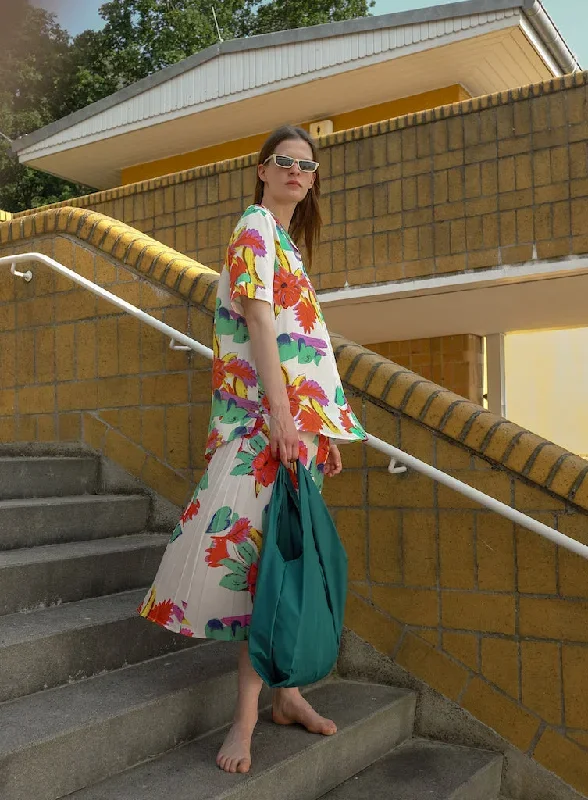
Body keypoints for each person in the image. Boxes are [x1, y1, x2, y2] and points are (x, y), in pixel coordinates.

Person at [137, 125, 367, 774]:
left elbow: (300, 343)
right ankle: (246, 720)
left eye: (306, 164)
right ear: (262, 171)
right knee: (263, 579)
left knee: (284, 573)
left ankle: (287, 696)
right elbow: (260, 323)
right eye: (284, 162)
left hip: (291, 434)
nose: (296, 171)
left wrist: (316, 429)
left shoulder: (287, 244)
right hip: (262, 434)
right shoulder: (255, 230)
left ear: (314, 178)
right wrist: (286, 419)